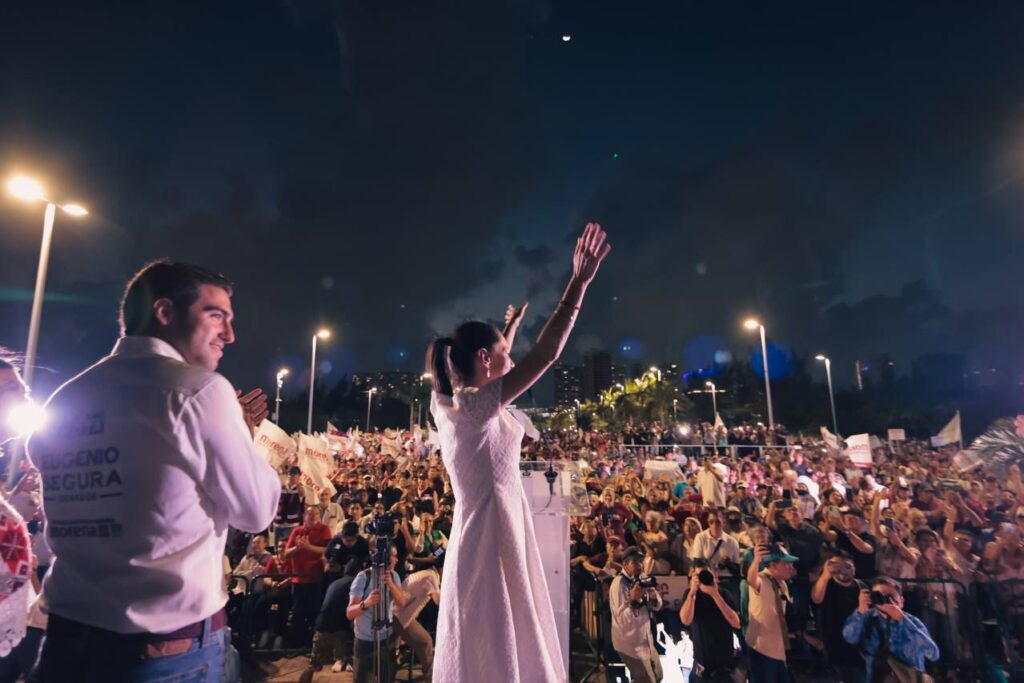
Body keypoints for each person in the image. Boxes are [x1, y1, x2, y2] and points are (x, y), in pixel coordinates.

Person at [26, 260, 281, 683]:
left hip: (65, 644)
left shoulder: (67, 395)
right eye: (215, 314)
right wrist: (249, 439)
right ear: (164, 312)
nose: (230, 335)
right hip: (163, 654)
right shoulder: (197, 391)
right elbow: (256, 511)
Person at [426, 223, 610, 682]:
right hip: (490, 539)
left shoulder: (459, 402)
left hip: (496, 528)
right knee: (498, 639)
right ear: (485, 360)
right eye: (505, 350)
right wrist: (577, 286)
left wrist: (507, 328)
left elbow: (493, 370)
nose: (513, 356)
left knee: (506, 640)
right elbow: (544, 356)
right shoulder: (473, 407)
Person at [842, 576, 939, 682]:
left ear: (901, 601)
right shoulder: (867, 618)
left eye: (890, 596)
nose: (886, 600)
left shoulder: (912, 621)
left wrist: (903, 620)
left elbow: (933, 653)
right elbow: (850, 638)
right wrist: (860, 611)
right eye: (879, 595)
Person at [297, 556, 369, 683]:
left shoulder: (335, 583)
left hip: (322, 626)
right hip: (340, 630)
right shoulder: (355, 583)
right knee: (359, 662)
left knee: (313, 665)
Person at [347, 545, 409, 683]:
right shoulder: (363, 577)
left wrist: (391, 584)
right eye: (394, 556)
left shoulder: (394, 576)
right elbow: (349, 613)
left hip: (386, 640)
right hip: (365, 641)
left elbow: (402, 603)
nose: (397, 560)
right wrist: (366, 603)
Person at [609, 546, 664, 683]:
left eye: (641, 561)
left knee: (658, 676)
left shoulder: (642, 578)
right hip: (630, 644)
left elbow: (658, 606)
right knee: (646, 680)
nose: (640, 565)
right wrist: (633, 600)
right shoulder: (618, 585)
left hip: (646, 640)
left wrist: (653, 598)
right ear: (625, 564)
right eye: (635, 562)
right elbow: (621, 621)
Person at [746, 543, 799, 683]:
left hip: (778, 648)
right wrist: (756, 560)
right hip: (762, 648)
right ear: (774, 565)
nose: (791, 567)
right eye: (787, 564)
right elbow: (751, 580)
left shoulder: (782, 583)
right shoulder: (762, 579)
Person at [679, 561, 740, 682]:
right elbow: (685, 620)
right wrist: (692, 594)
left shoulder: (724, 594)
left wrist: (715, 595)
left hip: (724, 667)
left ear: (715, 576)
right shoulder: (691, 596)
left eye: (706, 575)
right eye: (698, 576)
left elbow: (736, 623)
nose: (703, 579)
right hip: (702, 666)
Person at [812, 553, 866, 683]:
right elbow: (816, 599)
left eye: (847, 566)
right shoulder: (826, 584)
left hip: (860, 645)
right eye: (837, 566)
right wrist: (825, 574)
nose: (842, 570)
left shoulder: (861, 586)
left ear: (854, 569)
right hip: (835, 644)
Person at [285, 506, 332, 645]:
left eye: (317, 514)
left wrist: (308, 547)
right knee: (298, 613)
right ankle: (299, 643)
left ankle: (315, 645)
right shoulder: (297, 531)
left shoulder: (324, 530)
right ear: (304, 515)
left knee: (315, 612)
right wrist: (297, 547)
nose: (314, 516)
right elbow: (286, 553)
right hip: (298, 579)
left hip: (315, 579)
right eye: (310, 514)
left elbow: (326, 550)